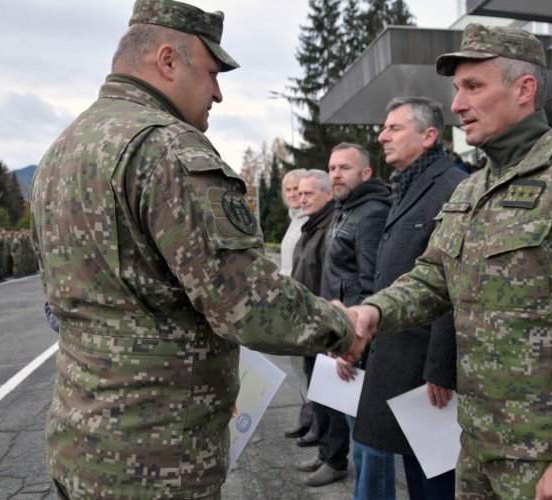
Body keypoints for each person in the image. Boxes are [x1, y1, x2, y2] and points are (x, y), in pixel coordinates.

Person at [29, 2, 363, 498]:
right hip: (156, 459)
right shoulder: (167, 148)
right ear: (167, 61)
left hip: (81, 442)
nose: (219, 93)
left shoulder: (64, 150)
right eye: (211, 73)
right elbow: (247, 303)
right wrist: (341, 327)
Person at [347, 23, 552, 499]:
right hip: (474, 447)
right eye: (456, 90)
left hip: (546, 459)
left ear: (524, 89)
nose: (457, 105)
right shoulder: (471, 189)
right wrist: (374, 312)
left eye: (473, 87)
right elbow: (432, 279)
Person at [346, 96, 467, 500]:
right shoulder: (408, 186)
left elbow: (452, 280)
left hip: (426, 370)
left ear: (429, 135)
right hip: (399, 355)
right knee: (416, 474)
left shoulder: (452, 187)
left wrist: (441, 365)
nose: (382, 136)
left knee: (437, 481)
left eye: (394, 128)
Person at [308, 143, 391, 490]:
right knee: (353, 427)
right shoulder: (345, 209)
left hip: (356, 342)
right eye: (332, 168)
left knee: (368, 436)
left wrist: (353, 344)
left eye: (345, 168)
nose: (336, 174)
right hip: (339, 333)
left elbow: (372, 285)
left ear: (366, 173)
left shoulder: (370, 213)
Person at [290, 169, 336, 449]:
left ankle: (331, 453)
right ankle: (321, 442)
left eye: (308, 193)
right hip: (310, 324)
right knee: (315, 385)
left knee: (329, 393)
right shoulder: (311, 226)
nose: (301, 198)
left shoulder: (327, 227)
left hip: (323, 324)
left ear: (327, 194)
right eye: (299, 193)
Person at [279, 168, 316, 441]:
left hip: (301, 304)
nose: (294, 195)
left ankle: (315, 422)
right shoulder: (293, 221)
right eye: (290, 190)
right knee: (297, 366)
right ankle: (307, 417)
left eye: (299, 190)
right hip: (288, 304)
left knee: (308, 366)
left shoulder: (310, 220)